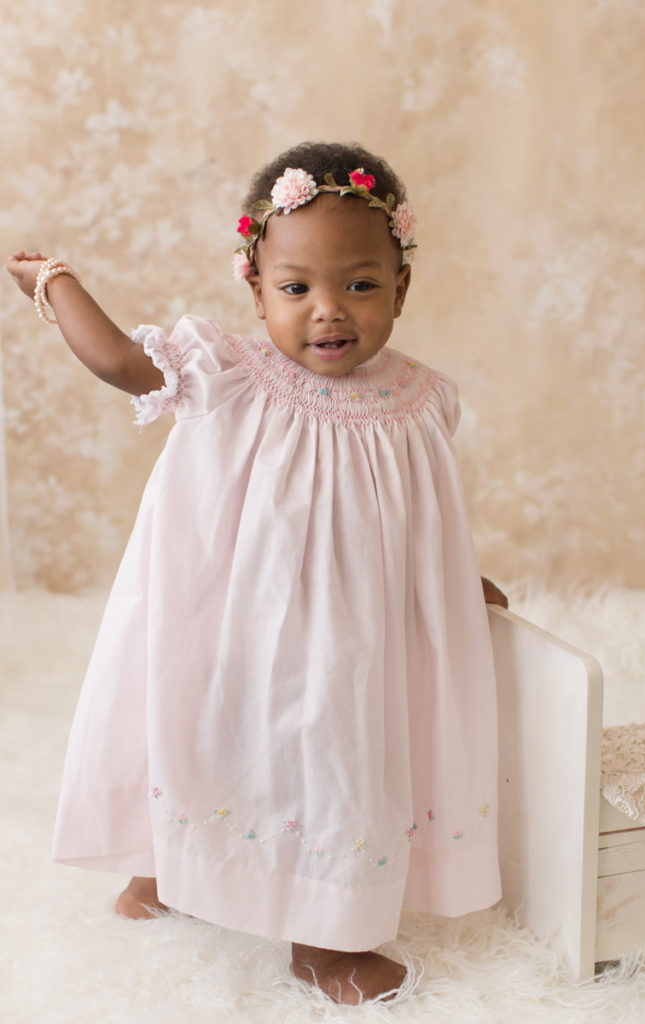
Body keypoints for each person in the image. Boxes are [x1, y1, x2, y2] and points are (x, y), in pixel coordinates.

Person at [7, 141, 506, 1006]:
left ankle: (325, 938)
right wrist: (56, 281)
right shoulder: (232, 374)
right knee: (205, 732)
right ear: (254, 286)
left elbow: (423, 520)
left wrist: (457, 583)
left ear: (401, 287)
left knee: (337, 759)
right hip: (240, 616)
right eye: (295, 287)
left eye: (359, 284)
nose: (328, 312)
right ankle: (166, 868)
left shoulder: (423, 401)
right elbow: (125, 362)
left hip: (349, 638)